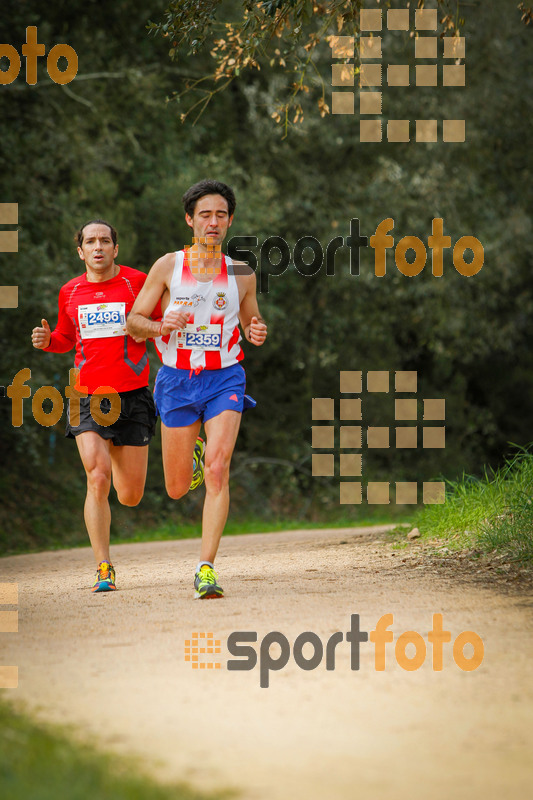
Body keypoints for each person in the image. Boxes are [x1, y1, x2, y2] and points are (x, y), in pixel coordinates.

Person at [126, 179, 267, 599]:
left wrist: (255, 330)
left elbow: (251, 320)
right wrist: (158, 324)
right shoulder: (167, 266)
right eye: (205, 214)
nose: (213, 222)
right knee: (174, 487)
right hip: (176, 380)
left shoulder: (241, 273)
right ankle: (195, 454)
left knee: (218, 471)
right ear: (190, 219)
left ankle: (206, 568)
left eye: (221, 215)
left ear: (229, 222)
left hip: (225, 375)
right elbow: (133, 323)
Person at [31, 220, 169, 593]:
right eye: (90, 242)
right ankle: (103, 567)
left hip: (134, 395)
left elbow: (159, 323)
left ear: (115, 248)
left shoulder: (137, 283)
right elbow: (65, 337)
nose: (97, 247)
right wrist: (48, 341)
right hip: (88, 396)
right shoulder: (69, 292)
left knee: (130, 495)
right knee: (97, 475)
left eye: (104, 240)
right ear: (80, 251)